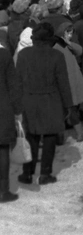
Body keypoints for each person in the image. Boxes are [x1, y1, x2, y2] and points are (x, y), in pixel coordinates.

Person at [16, 22, 73, 185]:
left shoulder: (23, 55)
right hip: (51, 100)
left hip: (29, 100)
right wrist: (68, 105)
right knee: (49, 136)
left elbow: (18, 80)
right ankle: (45, 173)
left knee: (31, 136)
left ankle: (27, 173)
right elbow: (63, 83)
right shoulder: (57, 56)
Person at [53, 21, 83, 142]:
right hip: (68, 83)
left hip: (68, 82)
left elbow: (79, 50)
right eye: (68, 33)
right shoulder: (58, 47)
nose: (70, 35)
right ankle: (79, 134)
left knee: (65, 111)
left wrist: (69, 42)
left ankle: (61, 138)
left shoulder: (63, 45)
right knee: (70, 110)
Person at [0, 38, 22, 201]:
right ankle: (3, 190)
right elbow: (13, 85)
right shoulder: (4, 55)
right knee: (2, 149)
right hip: (2, 108)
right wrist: (17, 109)